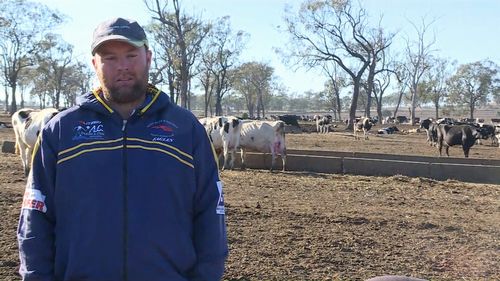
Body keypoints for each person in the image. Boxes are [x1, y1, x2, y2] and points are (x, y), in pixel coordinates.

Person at [17, 17, 228, 281]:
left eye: (131, 55)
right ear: (95, 64)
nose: (123, 67)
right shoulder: (61, 131)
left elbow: (211, 212)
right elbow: (36, 216)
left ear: (148, 58)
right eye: (110, 58)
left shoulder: (186, 129)